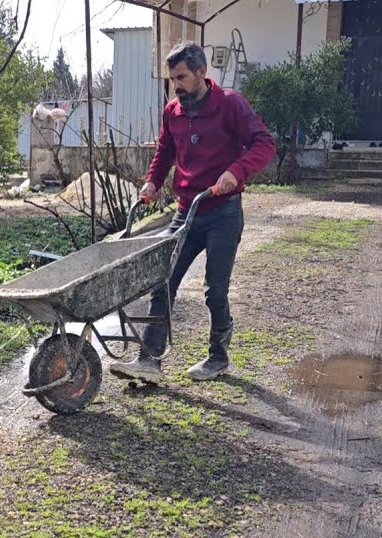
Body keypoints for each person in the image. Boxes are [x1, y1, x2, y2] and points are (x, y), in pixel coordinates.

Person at [109, 42, 275, 383]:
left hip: (222, 212)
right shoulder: (174, 111)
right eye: (172, 79)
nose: (177, 85)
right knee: (163, 282)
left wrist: (236, 172)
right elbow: (165, 149)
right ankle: (149, 361)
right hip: (185, 212)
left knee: (215, 290)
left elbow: (264, 143)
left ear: (202, 72)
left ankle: (218, 355)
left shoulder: (230, 105)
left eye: (182, 77)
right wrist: (153, 182)